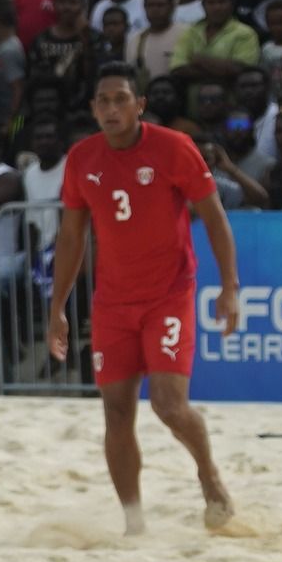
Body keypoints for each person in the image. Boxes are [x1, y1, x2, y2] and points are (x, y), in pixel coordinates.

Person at [48, 63, 240, 535]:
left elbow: (214, 217)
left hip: (168, 293)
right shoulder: (81, 159)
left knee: (169, 406)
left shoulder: (174, 147)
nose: (112, 108)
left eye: (120, 99)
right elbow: (72, 238)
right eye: (103, 101)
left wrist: (230, 288)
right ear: (93, 109)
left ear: (139, 105)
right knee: (116, 410)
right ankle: (134, 521)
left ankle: (208, 474)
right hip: (112, 302)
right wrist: (57, 308)